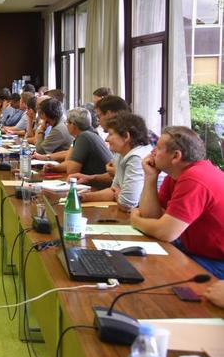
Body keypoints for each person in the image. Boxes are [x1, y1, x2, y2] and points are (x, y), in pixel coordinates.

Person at [131, 126, 224, 278]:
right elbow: (152, 217)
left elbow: (166, 232)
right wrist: (150, 177)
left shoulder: (194, 178)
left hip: (216, 260)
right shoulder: (177, 174)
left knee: (154, 273)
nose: (152, 152)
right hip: (196, 249)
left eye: (158, 147)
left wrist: (135, 221)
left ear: (176, 156)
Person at [77, 114, 151, 210]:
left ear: (126, 136)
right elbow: (113, 190)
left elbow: (127, 204)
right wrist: (82, 197)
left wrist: (119, 195)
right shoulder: (121, 154)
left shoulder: (136, 158)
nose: (106, 139)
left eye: (111, 134)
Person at [40, 107, 113, 176]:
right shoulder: (89, 133)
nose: (66, 125)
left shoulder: (84, 137)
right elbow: (69, 162)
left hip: (98, 185)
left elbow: (71, 171)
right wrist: (54, 168)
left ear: (73, 125)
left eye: (67, 123)